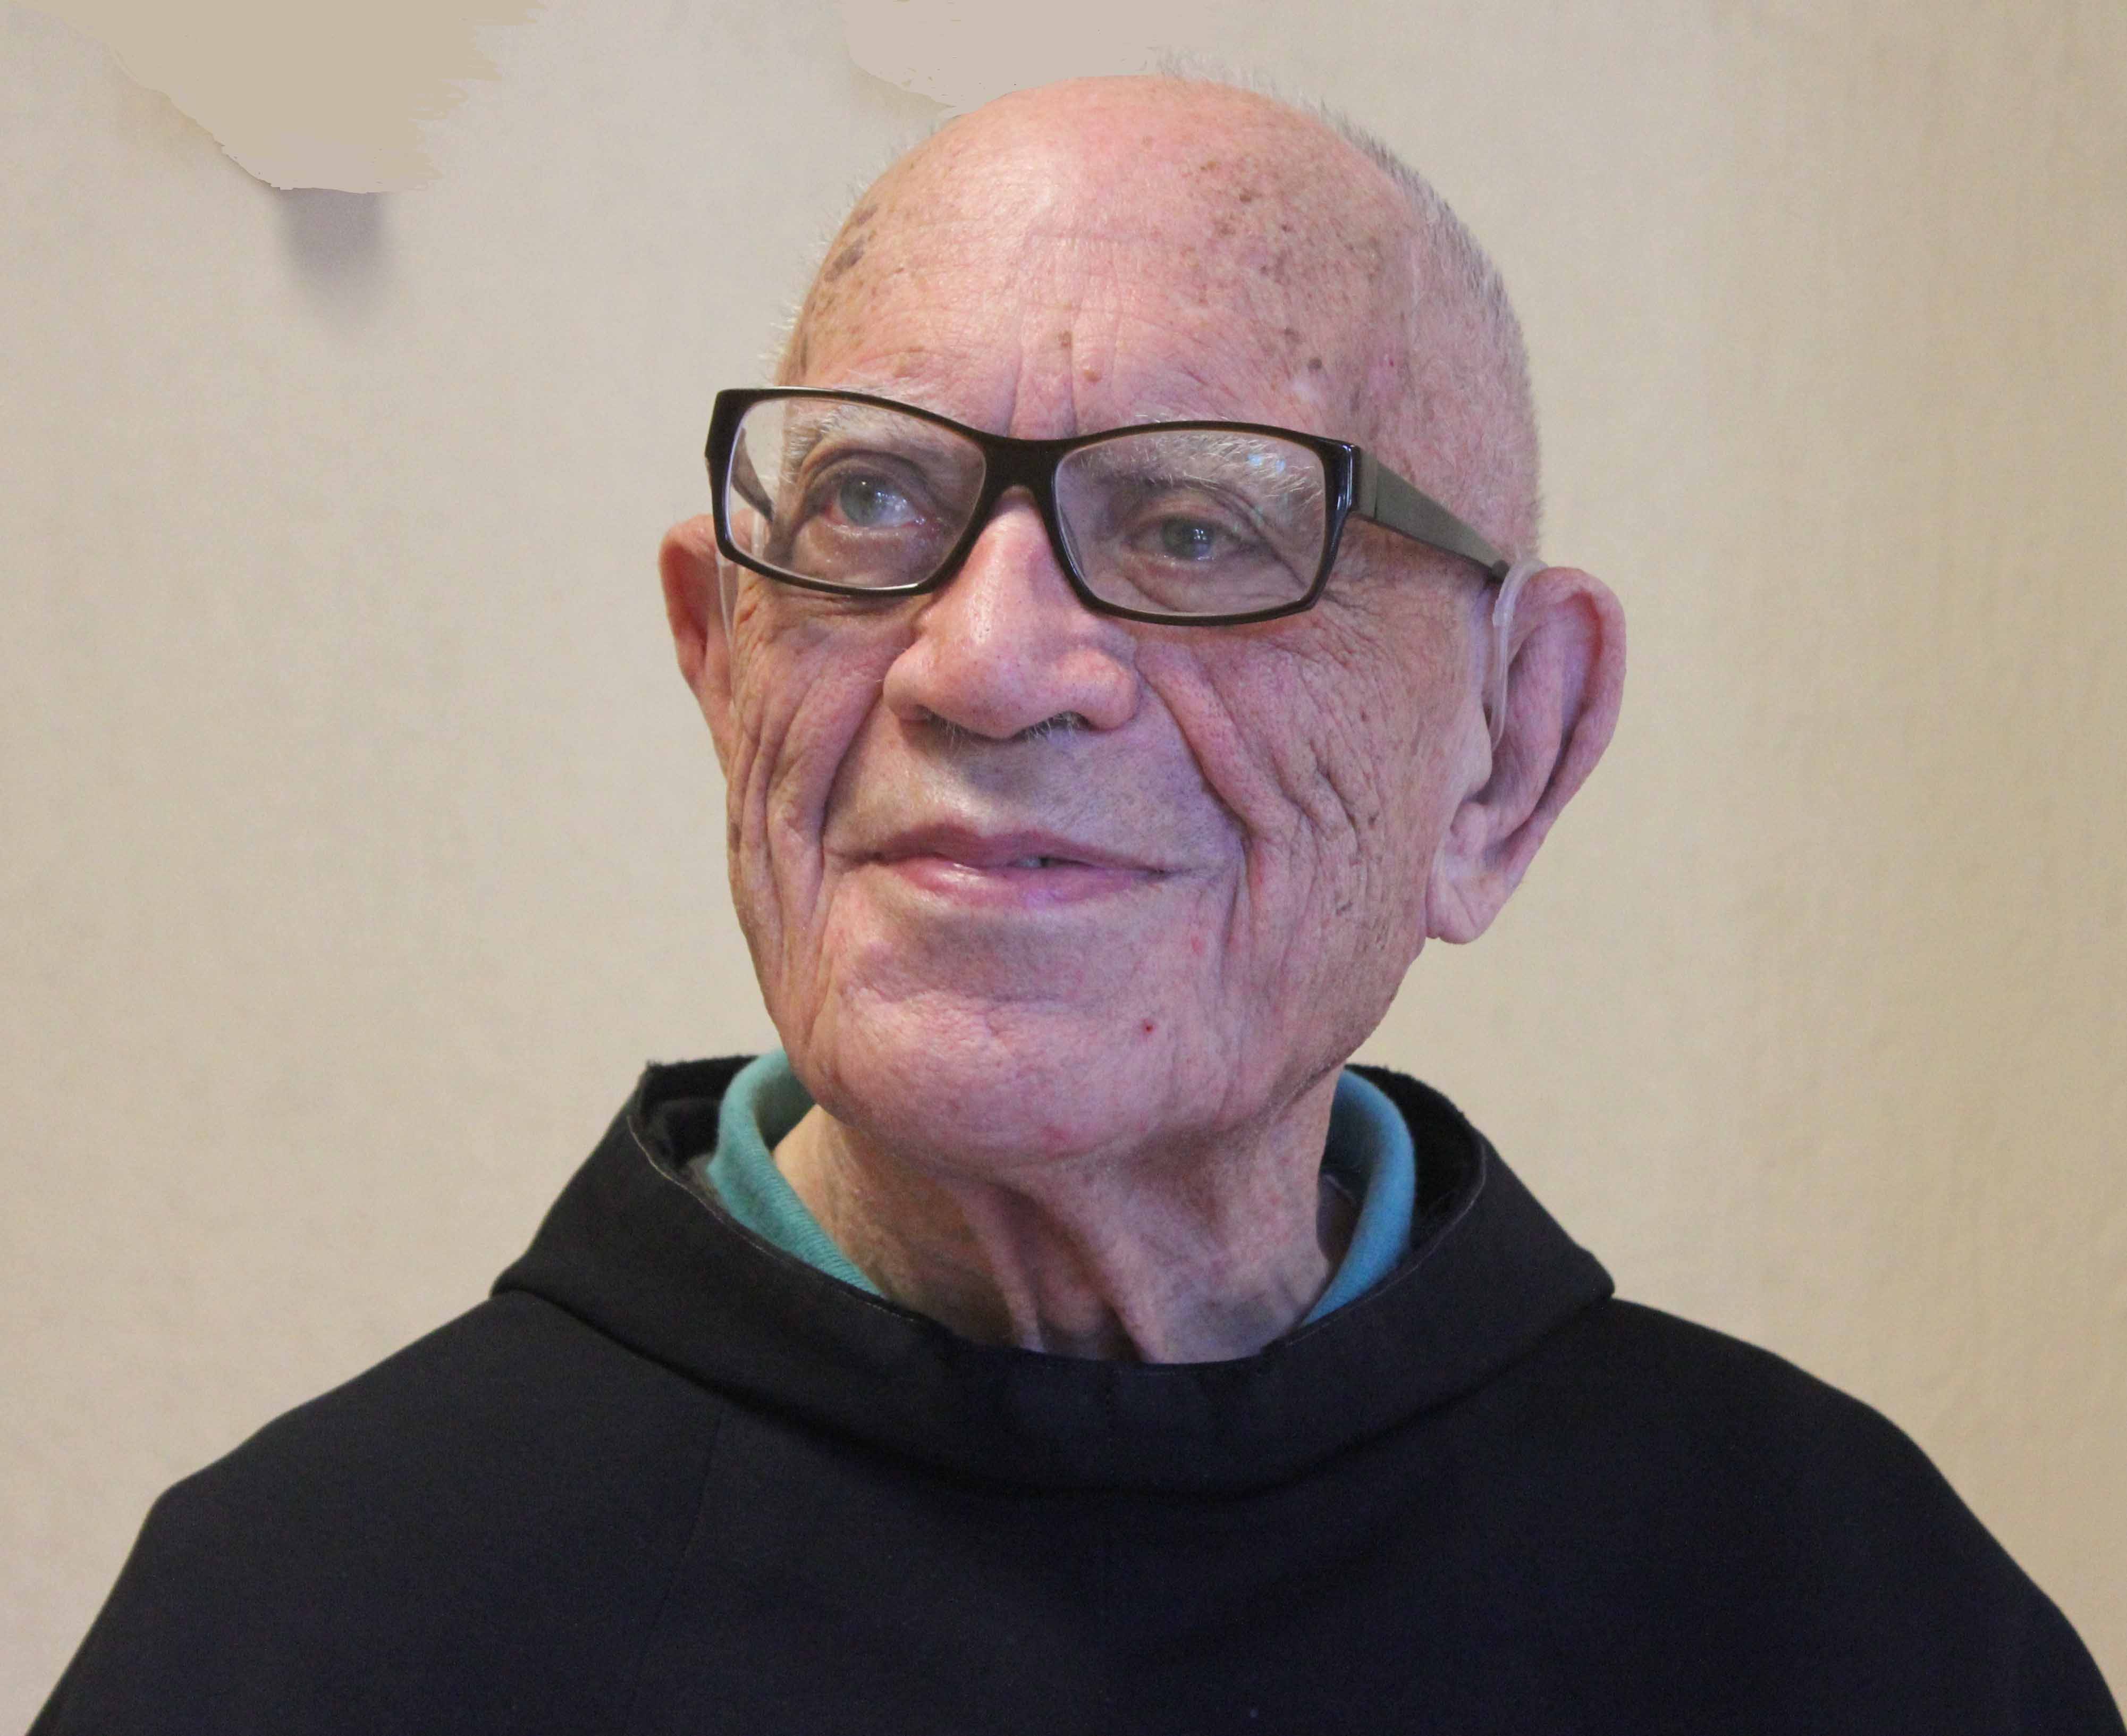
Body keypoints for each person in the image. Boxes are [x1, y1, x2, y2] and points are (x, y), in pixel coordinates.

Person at [34, 74, 2121, 1735]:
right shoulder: (311, 1630)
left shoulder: (1839, 1615)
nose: (982, 662)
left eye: (1199, 523)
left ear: (1513, 742)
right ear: (720, 658)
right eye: (870, 500)